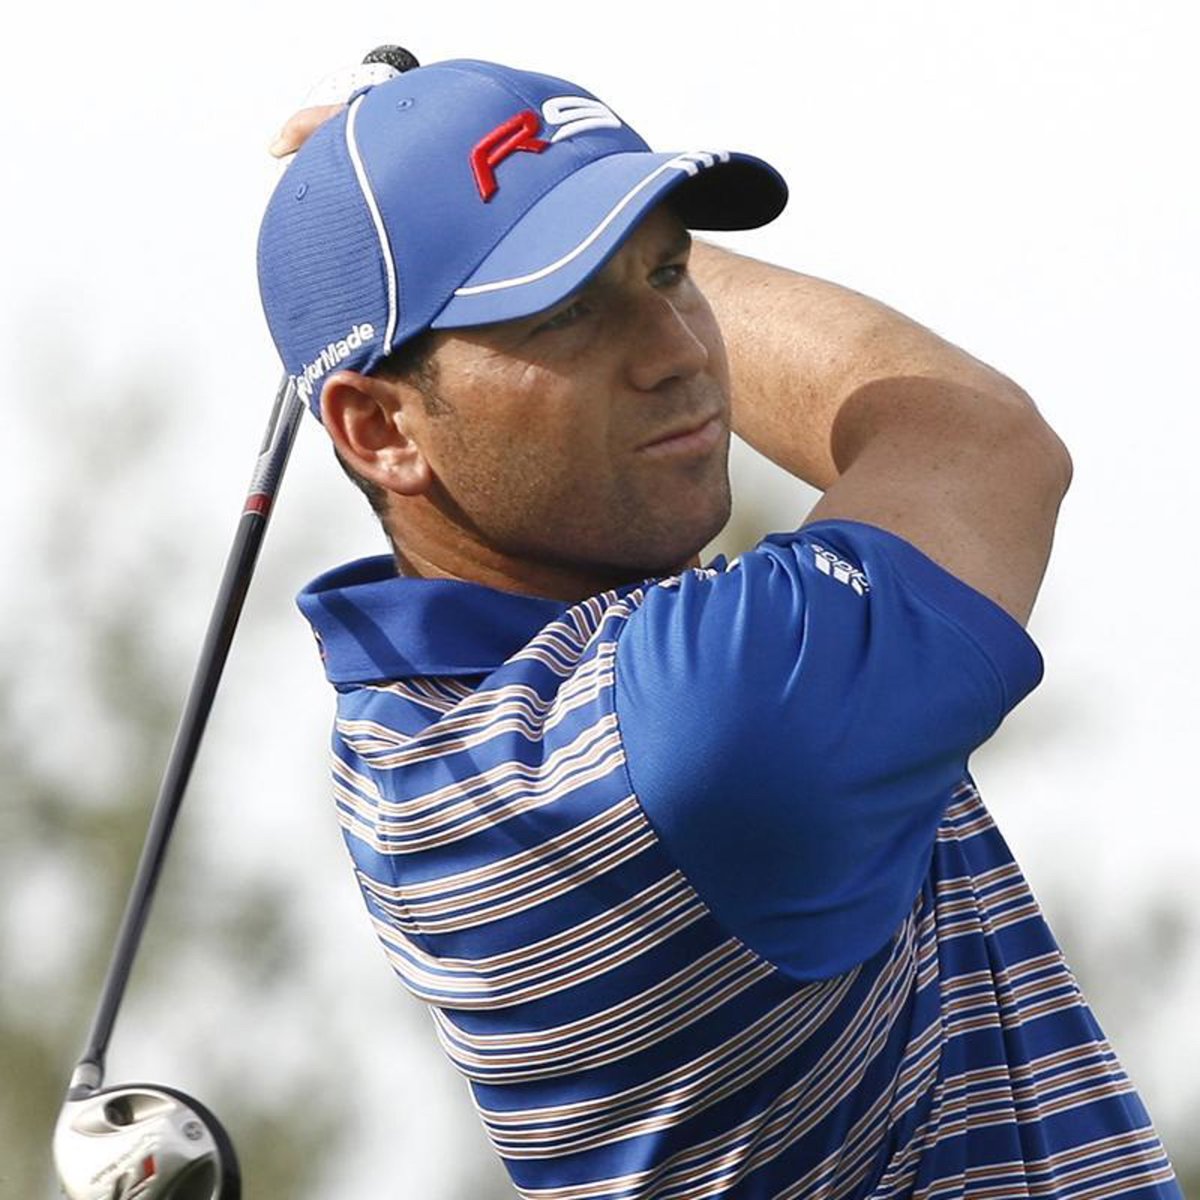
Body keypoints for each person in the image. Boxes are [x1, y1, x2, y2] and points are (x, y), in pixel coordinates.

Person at [258, 55, 1180, 1199]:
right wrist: (438, 206)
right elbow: (975, 436)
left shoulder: (409, 729)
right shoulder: (692, 730)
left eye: (672, 272)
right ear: (381, 430)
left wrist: (445, 212)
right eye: (568, 312)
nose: (684, 351)